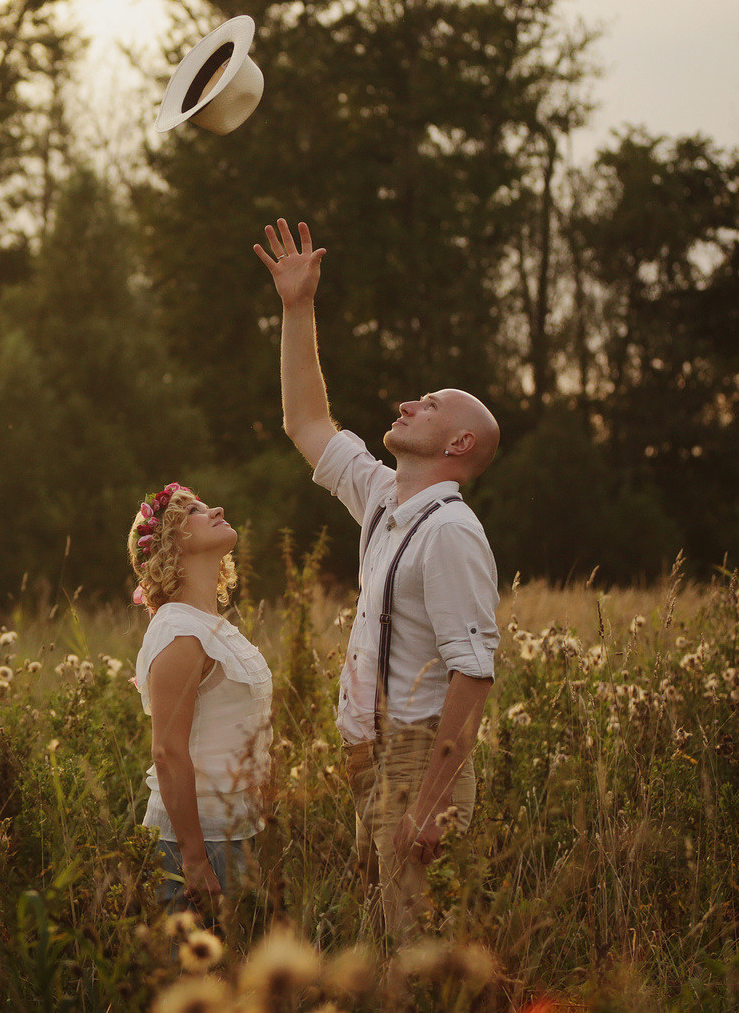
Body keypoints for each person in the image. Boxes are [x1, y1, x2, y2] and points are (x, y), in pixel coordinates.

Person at [254, 218, 501, 939]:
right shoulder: (386, 501)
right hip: (370, 763)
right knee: (386, 954)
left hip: (420, 759)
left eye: (429, 405)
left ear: (458, 444)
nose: (407, 404)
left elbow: (474, 673)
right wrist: (298, 309)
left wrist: (427, 803)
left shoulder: (451, 532)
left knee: (416, 960)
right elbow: (306, 422)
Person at [129, 481, 274, 909]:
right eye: (193, 510)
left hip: (233, 830)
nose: (215, 509)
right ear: (170, 543)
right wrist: (193, 859)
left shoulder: (211, 626)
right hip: (192, 841)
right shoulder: (179, 629)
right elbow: (168, 752)